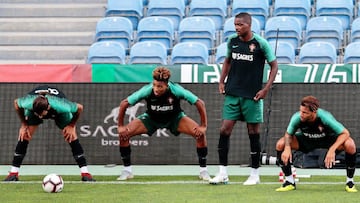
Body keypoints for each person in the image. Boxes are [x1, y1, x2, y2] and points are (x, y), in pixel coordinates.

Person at [209, 12, 278, 185]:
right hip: (233, 93)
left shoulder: (261, 44)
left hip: (253, 96)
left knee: (253, 133)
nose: (237, 28)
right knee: (224, 129)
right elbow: (227, 62)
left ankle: (255, 174)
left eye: (240, 25)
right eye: (235, 25)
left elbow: (274, 66)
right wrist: (221, 81)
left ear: (249, 25)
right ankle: (222, 172)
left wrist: (266, 89)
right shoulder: (232, 41)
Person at [117, 66, 209, 181]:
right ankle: (127, 170)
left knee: (200, 134)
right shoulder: (147, 90)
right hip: (151, 118)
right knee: (123, 134)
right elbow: (124, 103)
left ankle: (203, 171)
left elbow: (200, 103)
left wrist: (203, 126)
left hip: (175, 118)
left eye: (160, 86)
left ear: (167, 85)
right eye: (154, 85)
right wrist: (120, 126)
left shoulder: (176, 90)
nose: (156, 89)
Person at [4, 85, 95, 182]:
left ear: (48, 108)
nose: (39, 116)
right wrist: (24, 124)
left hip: (59, 114)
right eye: (37, 114)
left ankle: (86, 174)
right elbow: (16, 103)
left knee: (72, 137)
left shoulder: (62, 106)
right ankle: (13, 174)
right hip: (33, 111)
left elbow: (80, 108)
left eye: (41, 114)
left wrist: (71, 126)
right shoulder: (28, 103)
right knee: (24, 135)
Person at [275, 96, 357, 192]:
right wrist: (287, 148)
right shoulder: (297, 117)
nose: (301, 114)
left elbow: (345, 133)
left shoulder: (324, 117)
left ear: (314, 112)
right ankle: (289, 182)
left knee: (350, 144)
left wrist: (332, 150)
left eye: (305, 113)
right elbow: (288, 134)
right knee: (280, 144)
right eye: (300, 111)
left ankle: (350, 182)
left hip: (328, 140)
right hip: (306, 140)